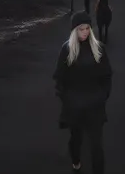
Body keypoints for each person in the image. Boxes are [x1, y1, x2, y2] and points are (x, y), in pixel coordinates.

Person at [53, 10, 113, 173]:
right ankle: (76, 161)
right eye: (81, 29)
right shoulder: (67, 49)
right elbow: (59, 77)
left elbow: (107, 75)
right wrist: (66, 98)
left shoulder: (98, 48)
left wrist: (103, 95)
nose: (85, 32)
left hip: (95, 104)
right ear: (74, 30)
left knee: (96, 145)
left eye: (87, 28)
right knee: (76, 139)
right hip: (75, 105)